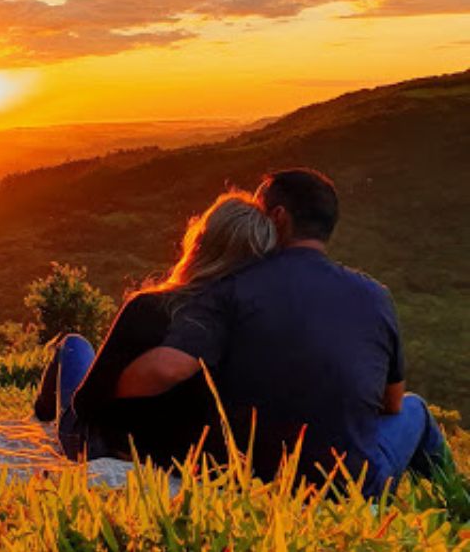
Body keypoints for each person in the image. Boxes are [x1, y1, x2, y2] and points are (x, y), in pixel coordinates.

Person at [115, 168, 450, 495]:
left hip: (252, 476)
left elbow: (168, 367)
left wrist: (106, 391)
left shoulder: (232, 288)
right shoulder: (376, 296)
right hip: (350, 487)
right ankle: (455, 503)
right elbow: (391, 404)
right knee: (414, 408)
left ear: (277, 217)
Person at [34, 190, 277, 466]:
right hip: (192, 459)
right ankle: (43, 406)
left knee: (74, 345)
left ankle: (43, 408)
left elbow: (87, 404)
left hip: (108, 445)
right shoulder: (254, 327)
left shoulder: (150, 307)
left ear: (200, 243)